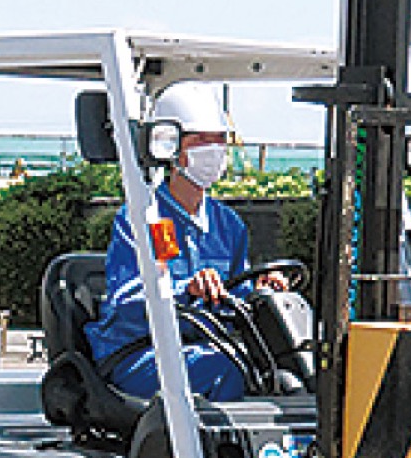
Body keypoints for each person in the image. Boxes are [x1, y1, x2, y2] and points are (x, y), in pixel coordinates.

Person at [85, 82, 287, 401]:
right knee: (226, 368)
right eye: (202, 140)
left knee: (282, 370)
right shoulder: (142, 217)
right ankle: (219, 452)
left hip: (200, 348)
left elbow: (236, 296)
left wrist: (261, 289)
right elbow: (127, 299)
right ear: (171, 147)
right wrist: (186, 290)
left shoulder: (229, 225)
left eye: (220, 140)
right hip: (139, 353)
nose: (214, 149)